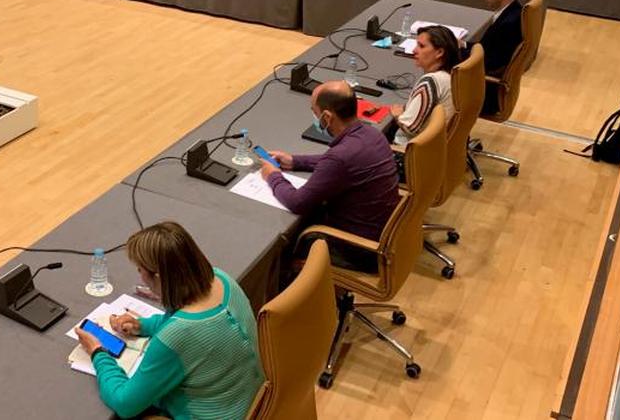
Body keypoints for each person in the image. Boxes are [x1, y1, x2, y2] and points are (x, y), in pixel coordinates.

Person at [75, 222, 263, 420]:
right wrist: (142, 326)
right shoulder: (222, 279)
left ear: (158, 277)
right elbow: (191, 322)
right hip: (256, 404)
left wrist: (98, 353)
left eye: (140, 270)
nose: (139, 276)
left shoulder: (176, 336)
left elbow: (124, 402)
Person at [260, 81, 401, 271]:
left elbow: (297, 202)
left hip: (356, 249)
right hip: (380, 235)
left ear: (327, 117)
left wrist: (273, 176)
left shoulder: (340, 157)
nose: (315, 118)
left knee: (283, 247)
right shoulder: (371, 134)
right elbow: (336, 163)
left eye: (315, 112)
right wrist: (295, 161)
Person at [390, 25, 460, 152]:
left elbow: (410, 128)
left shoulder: (430, 82)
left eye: (421, 46)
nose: (414, 51)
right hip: (438, 150)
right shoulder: (452, 76)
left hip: (410, 155)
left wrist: (398, 115)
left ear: (439, 52)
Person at [477, 0, 524, 115]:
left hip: (486, 91)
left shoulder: (508, 25)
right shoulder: (515, 11)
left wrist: (454, 51)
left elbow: (486, 61)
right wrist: (463, 45)